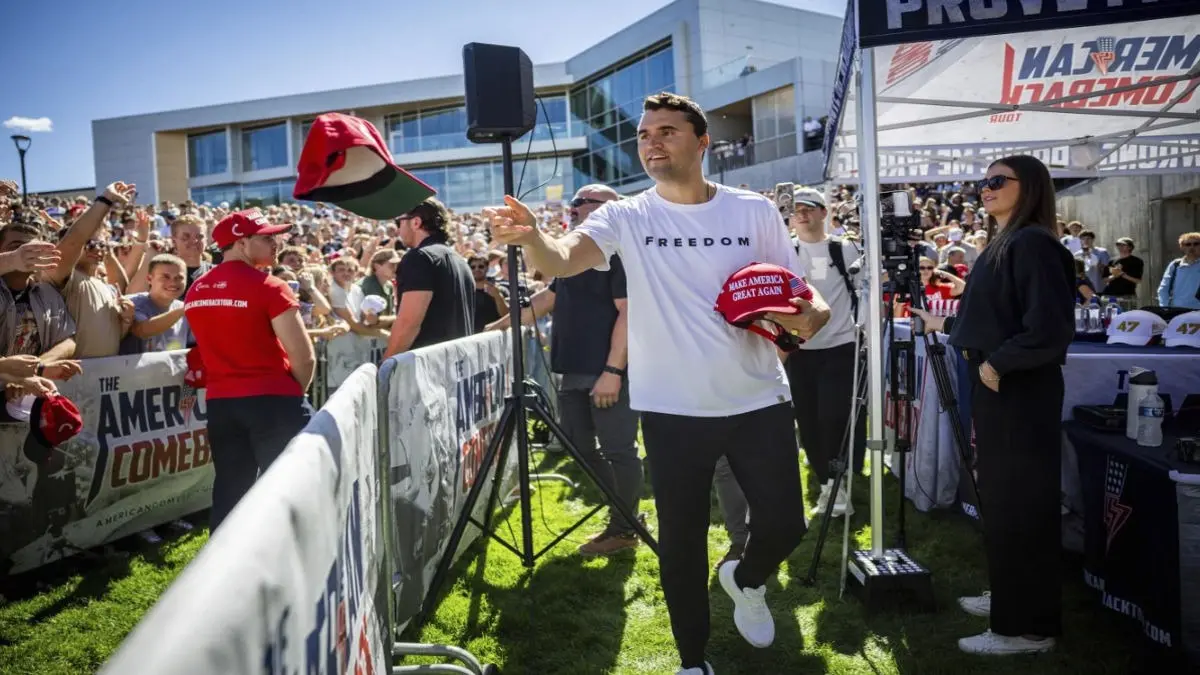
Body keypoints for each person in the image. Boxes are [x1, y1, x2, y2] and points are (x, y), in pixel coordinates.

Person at [484, 92, 830, 675]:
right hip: (673, 408)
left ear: (703, 142)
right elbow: (563, 258)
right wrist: (535, 239)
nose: (651, 142)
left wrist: (813, 312)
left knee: (785, 524)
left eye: (667, 131)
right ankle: (692, 662)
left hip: (758, 396)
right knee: (681, 542)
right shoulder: (626, 215)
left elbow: (793, 288)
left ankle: (745, 578)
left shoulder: (752, 210)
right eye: (644, 134)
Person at [911, 155, 1074, 657]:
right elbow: (995, 317)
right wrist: (946, 326)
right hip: (1000, 389)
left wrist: (997, 365)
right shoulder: (1008, 241)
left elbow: (1048, 328)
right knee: (1005, 504)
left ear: (1031, 187)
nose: (986, 187)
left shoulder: (1033, 243)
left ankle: (1026, 628)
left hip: (1017, 391)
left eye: (998, 180)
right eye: (983, 181)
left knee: (1022, 506)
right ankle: (1011, 597)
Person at [488, 184, 645, 557]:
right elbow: (548, 298)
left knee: (618, 450)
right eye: (572, 202)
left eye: (580, 202)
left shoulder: (619, 252)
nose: (572, 209)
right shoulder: (577, 252)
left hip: (607, 370)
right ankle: (626, 514)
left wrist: (613, 370)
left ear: (609, 208)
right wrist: (497, 328)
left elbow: (629, 312)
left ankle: (624, 527)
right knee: (578, 445)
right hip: (573, 369)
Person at [183, 209, 316, 530]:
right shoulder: (270, 286)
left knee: (231, 491)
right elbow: (304, 357)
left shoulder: (197, 289)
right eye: (267, 238)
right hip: (273, 400)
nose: (276, 243)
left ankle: (223, 559)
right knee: (289, 492)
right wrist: (294, 395)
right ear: (241, 243)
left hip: (221, 405)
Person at [383, 197, 475, 358]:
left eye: (399, 222)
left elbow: (408, 323)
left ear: (416, 222)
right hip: (458, 363)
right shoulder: (461, 261)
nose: (398, 230)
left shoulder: (419, 257)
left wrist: (387, 364)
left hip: (429, 365)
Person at [1157, 231, 1200, 310]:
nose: (1192, 247)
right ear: (1182, 247)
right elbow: (1163, 289)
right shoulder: (1175, 265)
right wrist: (1165, 308)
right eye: (1188, 244)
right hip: (1177, 311)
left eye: (1196, 244)